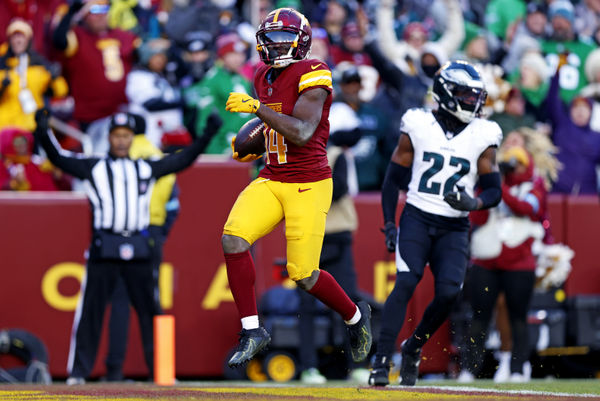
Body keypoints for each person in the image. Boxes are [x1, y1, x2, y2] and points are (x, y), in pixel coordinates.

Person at [222, 7, 372, 368]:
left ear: (301, 43)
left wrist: (258, 110)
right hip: (273, 177)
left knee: (303, 275)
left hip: (309, 183)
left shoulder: (314, 71)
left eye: (283, 40)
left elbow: (303, 132)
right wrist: (251, 144)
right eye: (269, 41)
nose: (275, 48)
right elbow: (274, 128)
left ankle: (355, 317)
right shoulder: (262, 75)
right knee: (232, 238)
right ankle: (253, 330)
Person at [33, 109, 221, 384]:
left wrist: (207, 134)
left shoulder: (144, 167)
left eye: (126, 136)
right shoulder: (94, 166)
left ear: (133, 138)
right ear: (109, 138)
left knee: (151, 312)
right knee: (91, 311)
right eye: (117, 136)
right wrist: (42, 131)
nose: (121, 141)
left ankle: (161, 372)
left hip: (138, 245)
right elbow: (57, 158)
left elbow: (182, 160)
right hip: (104, 246)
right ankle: (79, 373)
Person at [369, 60, 503, 387]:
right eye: (464, 95)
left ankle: (413, 347)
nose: (472, 102)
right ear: (445, 93)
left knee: (448, 293)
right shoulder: (417, 123)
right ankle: (382, 360)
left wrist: (475, 203)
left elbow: (495, 189)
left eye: (475, 96)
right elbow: (392, 180)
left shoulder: (484, 133)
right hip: (417, 215)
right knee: (405, 282)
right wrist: (389, 223)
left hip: (454, 226)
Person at [0, 19, 68, 132]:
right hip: (6, 127)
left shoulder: (39, 64)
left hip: (33, 125)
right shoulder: (3, 65)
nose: (18, 41)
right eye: (14, 37)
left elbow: (60, 92)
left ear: (28, 40)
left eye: (21, 37)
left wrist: (56, 78)